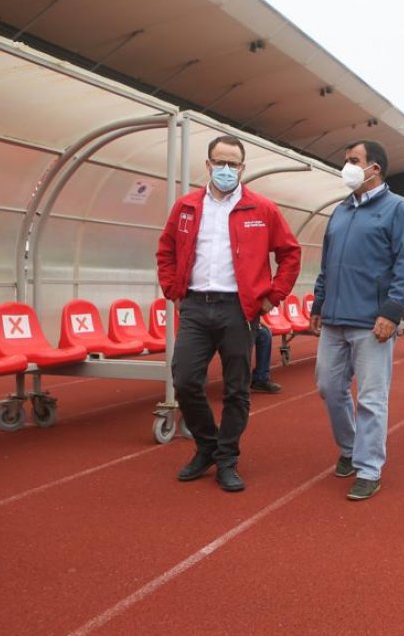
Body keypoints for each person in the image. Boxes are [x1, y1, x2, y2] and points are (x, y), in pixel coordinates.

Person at [156, 135, 301, 492]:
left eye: (232, 164)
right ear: (207, 166)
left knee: (237, 389)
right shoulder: (187, 207)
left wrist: (272, 299)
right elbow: (166, 251)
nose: (225, 170)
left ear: (242, 168)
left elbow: (290, 254)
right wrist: (174, 292)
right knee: (185, 380)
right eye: (219, 163)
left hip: (239, 310)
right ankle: (207, 446)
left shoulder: (262, 209)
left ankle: (227, 459)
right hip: (195, 306)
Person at [310, 140, 404, 501]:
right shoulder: (340, 211)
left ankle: (369, 468)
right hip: (334, 318)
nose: (347, 167)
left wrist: (391, 312)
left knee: (372, 397)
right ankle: (349, 446)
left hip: (372, 322)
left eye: (353, 161)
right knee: (328, 386)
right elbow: (326, 265)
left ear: (375, 168)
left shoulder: (397, 210)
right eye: (346, 161)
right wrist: (318, 305)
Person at [250, 324, 282, 393]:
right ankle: (235, 382)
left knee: (265, 333)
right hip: (234, 323)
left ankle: (260, 378)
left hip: (249, 323)